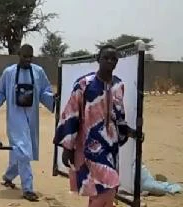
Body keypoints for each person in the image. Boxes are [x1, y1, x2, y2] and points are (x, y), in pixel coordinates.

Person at [53, 45, 143, 207]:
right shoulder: (84, 84)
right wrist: (68, 147)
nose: (110, 61)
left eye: (113, 59)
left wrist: (131, 132)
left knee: (106, 189)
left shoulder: (118, 85)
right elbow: (71, 114)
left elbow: (119, 117)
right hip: (89, 147)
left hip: (110, 148)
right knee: (103, 187)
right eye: (106, 58)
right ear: (98, 59)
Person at [0, 44, 55, 202]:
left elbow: (45, 91)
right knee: (23, 151)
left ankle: (8, 176)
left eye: (30, 56)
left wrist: (53, 99)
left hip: (32, 118)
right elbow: (0, 92)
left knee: (22, 152)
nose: (28, 59)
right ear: (19, 54)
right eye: (25, 56)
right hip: (15, 119)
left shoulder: (38, 72)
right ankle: (28, 189)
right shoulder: (9, 72)